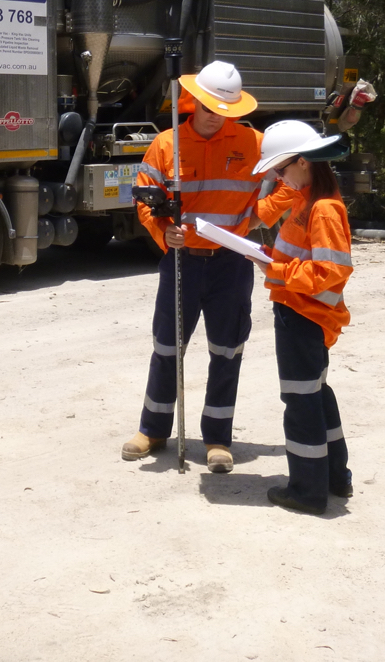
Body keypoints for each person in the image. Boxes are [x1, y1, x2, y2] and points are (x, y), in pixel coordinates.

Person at [123, 60, 266, 473]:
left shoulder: (253, 144)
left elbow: (283, 188)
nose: (215, 116)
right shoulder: (167, 144)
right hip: (182, 263)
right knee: (167, 348)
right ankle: (152, 430)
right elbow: (145, 196)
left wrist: (257, 219)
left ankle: (218, 438)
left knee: (227, 351)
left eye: (224, 110)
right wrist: (163, 231)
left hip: (231, 265)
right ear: (194, 101)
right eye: (208, 107)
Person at [249, 119, 355, 514]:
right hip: (300, 312)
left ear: (305, 163)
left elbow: (330, 273)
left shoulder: (323, 209)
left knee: (300, 403)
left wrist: (273, 270)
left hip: (305, 317)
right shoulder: (305, 199)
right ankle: (333, 479)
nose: (279, 175)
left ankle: (307, 491)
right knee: (316, 396)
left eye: (282, 168)